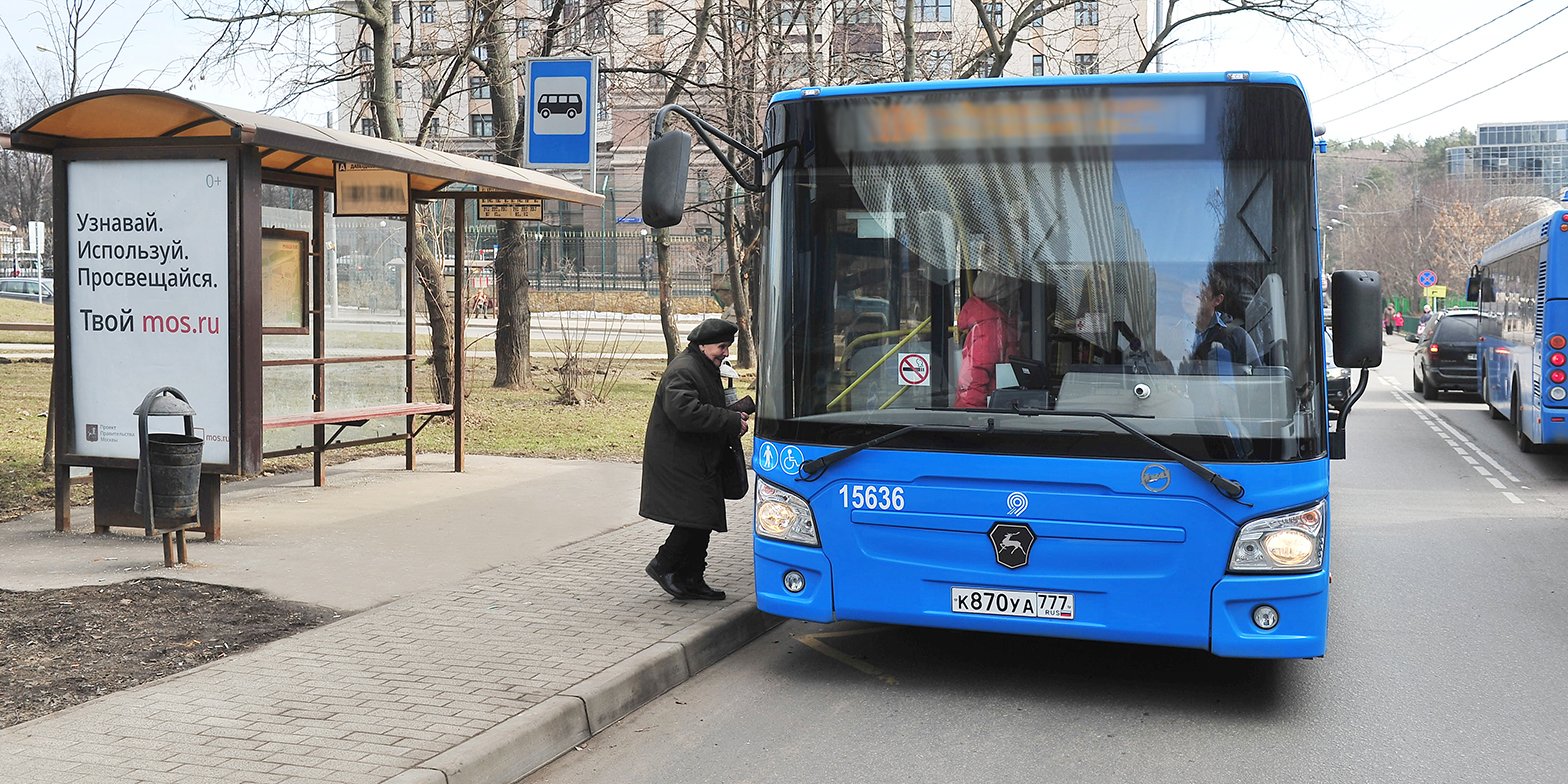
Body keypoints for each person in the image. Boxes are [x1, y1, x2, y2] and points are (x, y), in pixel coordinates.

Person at [641, 318, 750, 601]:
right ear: (702, 345)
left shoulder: (701, 366)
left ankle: (692, 577)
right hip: (680, 460)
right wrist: (729, 420)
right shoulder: (683, 370)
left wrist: (733, 413)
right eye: (721, 347)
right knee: (696, 517)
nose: (725, 353)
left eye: (727, 347)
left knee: (703, 517)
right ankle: (664, 565)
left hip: (697, 458)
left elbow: (705, 406)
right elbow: (685, 413)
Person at [955, 270, 1020, 408]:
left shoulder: (994, 321)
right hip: (990, 414)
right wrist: (972, 417)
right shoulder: (991, 327)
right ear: (1004, 296)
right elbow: (973, 380)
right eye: (1015, 293)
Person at [1182, 265, 1261, 373]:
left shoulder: (1236, 337)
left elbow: (1258, 381)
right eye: (1185, 289)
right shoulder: (1171, 332)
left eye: (1197, 291)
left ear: (1217, 300)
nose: (1189, 296)